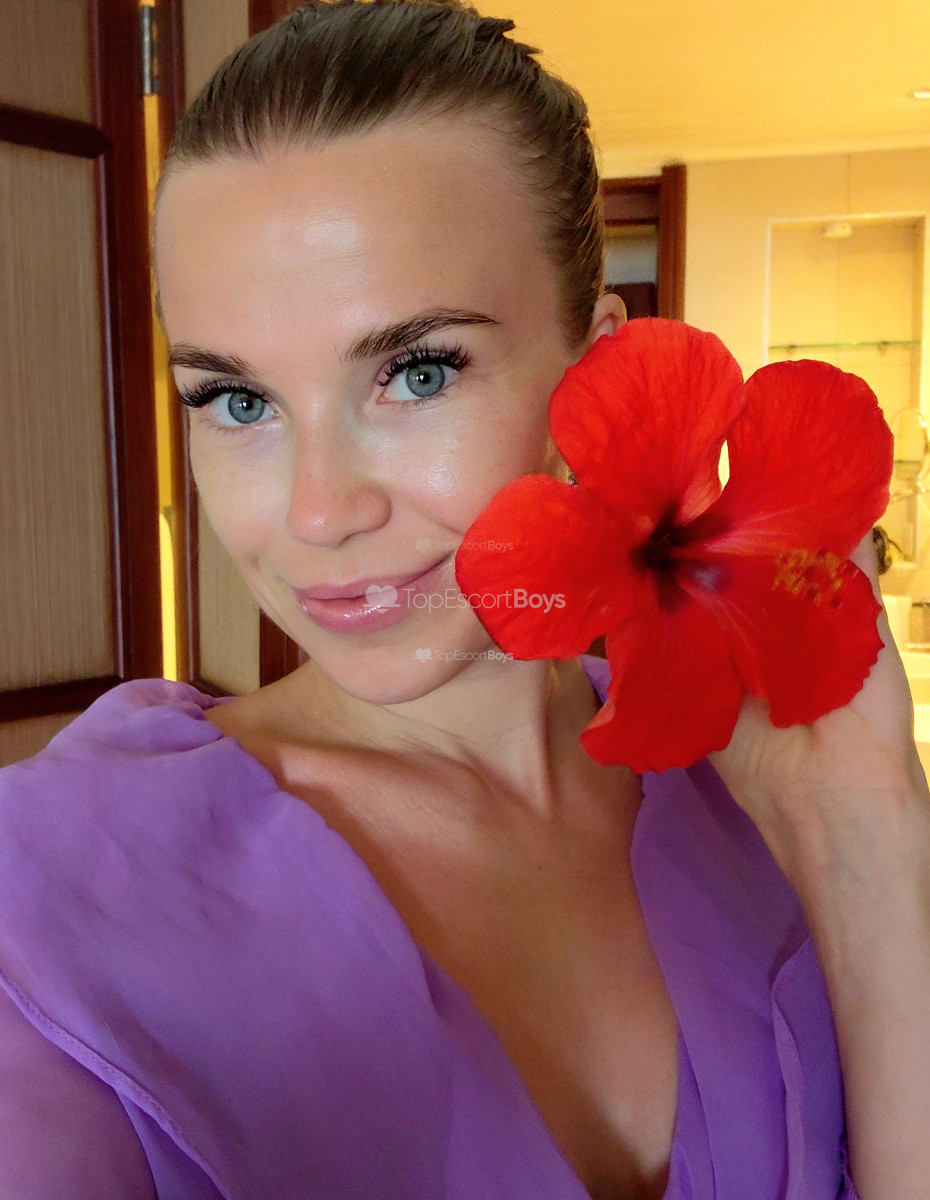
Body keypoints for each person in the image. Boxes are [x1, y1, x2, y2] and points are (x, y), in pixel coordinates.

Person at [0, 3, 928, 1198]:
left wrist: (864, 837)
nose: (318, 512)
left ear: (600, 368)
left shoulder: (756, 801)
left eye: (417, 372)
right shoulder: (59, 883)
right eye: (236, 400)